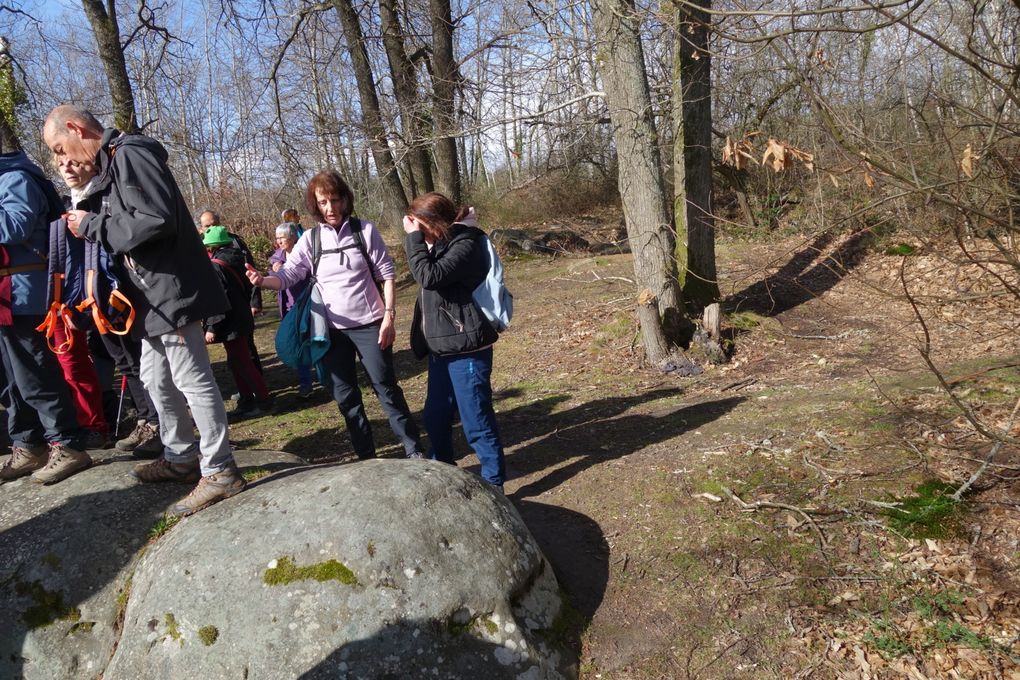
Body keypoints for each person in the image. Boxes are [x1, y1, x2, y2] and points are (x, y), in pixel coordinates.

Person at [43, 104, 245, 516]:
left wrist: (93, 226)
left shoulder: (131, 153)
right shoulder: (113, 165)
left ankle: (221, 470)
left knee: (192, 378)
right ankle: (181, 457)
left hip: (171, 289)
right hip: (151, 294)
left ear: (75, 128)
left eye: (60, 148)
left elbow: (155, 220)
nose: (62, 160)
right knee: (154, 377)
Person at [246, 170, 423, 460]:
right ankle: (366, 458)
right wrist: (263, 280)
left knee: (386, 389)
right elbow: (290, 275)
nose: (331, 208)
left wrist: (389, 317)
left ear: (345, 199)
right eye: (323, 202)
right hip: (330, 332)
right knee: (347, 398)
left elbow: (387, 275)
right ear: (315, 204)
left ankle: (414, 450)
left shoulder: (364, 231)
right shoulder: (310, 240)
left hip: (371, 326)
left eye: (335, 200)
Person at [50, 151, 162, 458]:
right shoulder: (70, 204)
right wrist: (73, 304)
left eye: (72, 160)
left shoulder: (101, 194)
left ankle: (158, 424)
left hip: (117, 290)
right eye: (61, 164)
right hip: (92, 295)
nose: (67, 168)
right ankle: (146, 419)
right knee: (125, 363)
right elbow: (72, 262)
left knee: (138, 361)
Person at [0, 125, 91, 485]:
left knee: (35, 373)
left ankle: (67, 443)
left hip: (24, 292)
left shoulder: (16, 177)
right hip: (7, 294)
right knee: (10, 380)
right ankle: (28, 442)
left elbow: (15, 225)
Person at [402, 193, 507, 492]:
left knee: (476, 422)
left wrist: (413, 240)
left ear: (436, 223)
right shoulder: (437, 243)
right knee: (435, 417)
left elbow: (428, 276)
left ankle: (495, 483)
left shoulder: (467, 242)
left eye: (421, 226)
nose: (416, 231)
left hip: (467, 350)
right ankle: (444, 471)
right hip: (441, 349)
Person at [202, 226, 272, 417]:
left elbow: (218, 299)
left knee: (242, 362)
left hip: (230, 321)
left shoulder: (216, 266)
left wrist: (211, 327)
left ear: (211, 248)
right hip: (241, 316)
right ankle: (246, 400)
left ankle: (263, 401)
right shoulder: (238, 258)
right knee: (237, 361)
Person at [269, 222, 314, 398]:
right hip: (288, 309)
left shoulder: (304, 255)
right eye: (277, 237)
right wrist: (273, 270)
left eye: (283, 237)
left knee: (312, 340)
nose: (279, 241)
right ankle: (306, 383)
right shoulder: (277, 257)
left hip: (306, 306)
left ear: (293, 237)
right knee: (297, 344)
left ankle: (325, 376)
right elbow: (273, 271)